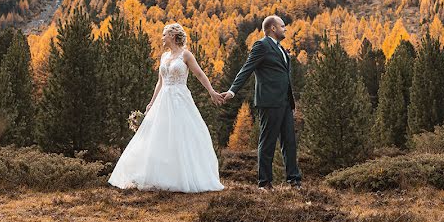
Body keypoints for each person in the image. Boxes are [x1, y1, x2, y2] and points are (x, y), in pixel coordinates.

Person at [108, 22, 225, 192]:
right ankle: (158, 176)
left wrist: (212, 92)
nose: (162, 37)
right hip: (163, 100)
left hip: (180, 99)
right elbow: (160, 82)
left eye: (164, 34)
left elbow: (199, 74)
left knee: (181, 135)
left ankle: (184, 177)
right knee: (157, 136)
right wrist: (151, 102)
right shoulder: (163, 56)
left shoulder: (186, 55)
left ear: (172, 35)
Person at [222, 15, 301, 189]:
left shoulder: (281, 48)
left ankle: (294, 180)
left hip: (285, 102)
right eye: (282, 26)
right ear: (273, 28)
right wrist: (232, 90)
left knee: (289, 142)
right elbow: (246, 68)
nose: (285, 28)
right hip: (269, 101)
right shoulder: (261, 46)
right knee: (268, 142)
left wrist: (291, 102)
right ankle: (264, 182)